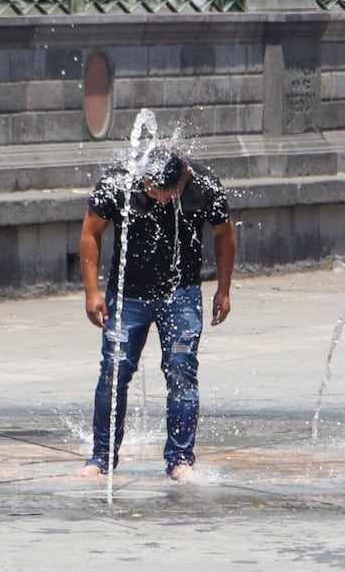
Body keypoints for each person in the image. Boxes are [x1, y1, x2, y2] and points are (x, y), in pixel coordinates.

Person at [76, 146, 236, 482]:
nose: (160, 198)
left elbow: (224, 234)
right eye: (152, 190)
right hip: (127, 296)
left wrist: (224, 288)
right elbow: (91, 232)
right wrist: (92, 291)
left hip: (181, 294)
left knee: (181, 373)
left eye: (168, 193)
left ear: (184, 179)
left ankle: (180, 460)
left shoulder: (205, 186)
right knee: (114, 372)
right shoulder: (119, 182)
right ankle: (101, 458)